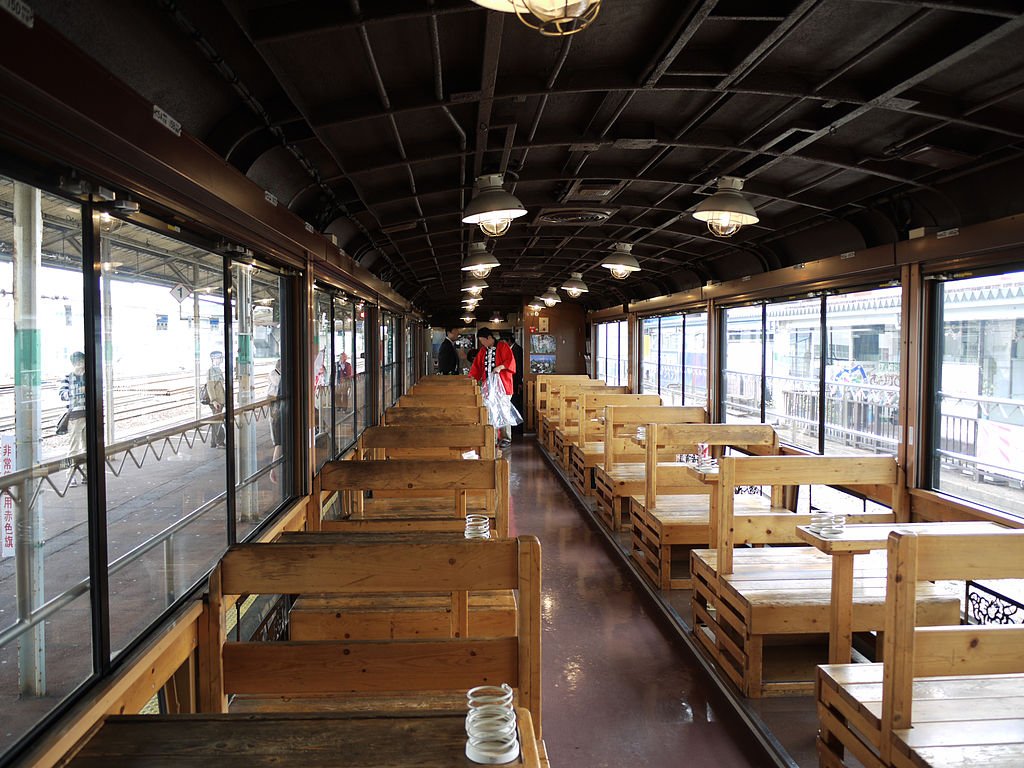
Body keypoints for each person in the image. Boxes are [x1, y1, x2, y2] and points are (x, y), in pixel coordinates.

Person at [468, 327, 517, 448]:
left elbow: (510, 361)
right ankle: (492, 437)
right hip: (488, 387)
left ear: (489, 338)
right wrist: (471, 379)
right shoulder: (482, 351)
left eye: (483, 341)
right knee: (490, 411)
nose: (482, 344)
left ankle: (506, 438)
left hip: (503, 386)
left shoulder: (503, 346)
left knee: (503, 411)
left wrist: (500, 367)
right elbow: (476, 367)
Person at [59, 351, 87, 486]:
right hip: (75, 417)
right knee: (73, 448)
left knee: (87, 447)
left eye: (82, 361)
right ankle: (70, 475)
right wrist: (76, 392)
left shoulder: (88, 375)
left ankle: (85, 473)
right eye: (78, 362)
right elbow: (62, 394)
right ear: (73, 363)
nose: (80, 364)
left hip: (88, 414)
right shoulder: (68, 377)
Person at [504, 331, 525, 436]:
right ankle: (514, 427)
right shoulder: (511, 349)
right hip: (512, 381)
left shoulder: (517, 350)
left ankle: (518, 428)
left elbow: (519, 367)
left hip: (516, 382)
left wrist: (520, 382)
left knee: (516, 404)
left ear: (508, 341)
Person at [205, 350, 227, 448]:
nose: (221, 360)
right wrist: (214, 400)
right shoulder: (211, 371)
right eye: (219, 358)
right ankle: (219, 442)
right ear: (214, 359)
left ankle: (214, 442)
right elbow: (210, 387)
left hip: (220, 399)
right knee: (218, 422)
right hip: (216, 401)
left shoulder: (218, 370)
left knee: (217, 421)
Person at [268, 358, 284, 483]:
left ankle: (274, 470)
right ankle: (273, 470)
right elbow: (279, 383)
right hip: (276, 409)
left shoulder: (280, 376)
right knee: (278, 442)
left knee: (279, 443)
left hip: (279, 409)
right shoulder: (274, 374)